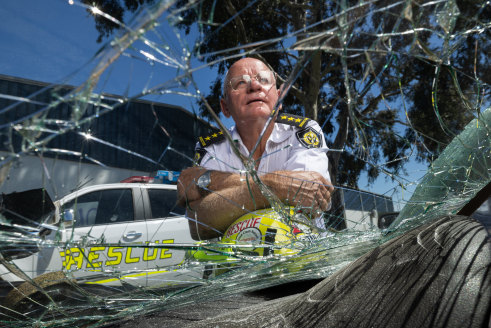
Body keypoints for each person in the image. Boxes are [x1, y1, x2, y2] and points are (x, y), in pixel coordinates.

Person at [177, 57, 333, 240]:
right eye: (240, 82)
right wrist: (273, 186)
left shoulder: (302, 131)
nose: (254, 87)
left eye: (264, 80)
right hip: (235, 265)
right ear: (225, 107)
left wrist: (212, 182)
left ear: (279, 97)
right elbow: (198, 223)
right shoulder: (210, 148)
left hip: (306, 258)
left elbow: (309, 198)